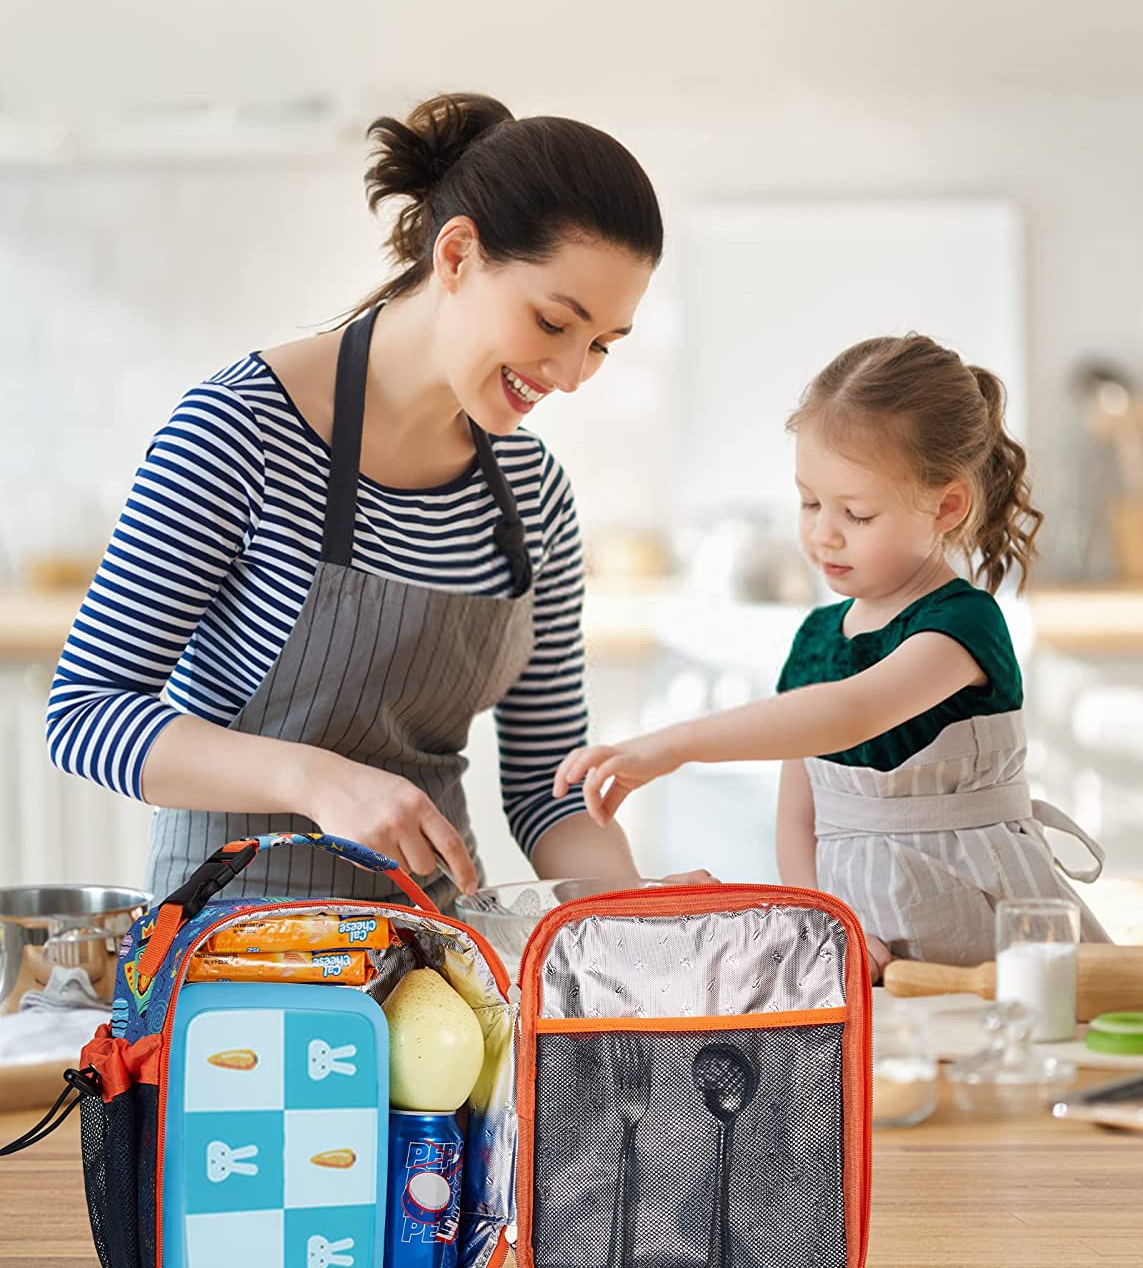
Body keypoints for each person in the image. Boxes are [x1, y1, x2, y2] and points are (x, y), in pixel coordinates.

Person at [47, 92, 708, 909]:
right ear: (458, 255)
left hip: (431, 947)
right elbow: (84, 716)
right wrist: (316, 780)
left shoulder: (533, 493)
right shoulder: (238, 428)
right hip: (227, 945)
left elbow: (547, 784)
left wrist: (640, 909)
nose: (571, 374)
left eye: (601, 344)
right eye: (551, 322)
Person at [554, 333, 1110, 976]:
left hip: (991, 939)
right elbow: (798, 819)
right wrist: (828, 924)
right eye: (810, 502)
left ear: (947, 506)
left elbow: (851, 712)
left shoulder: (961, 625)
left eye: (858, 513)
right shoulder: (818, 638)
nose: (823, 533)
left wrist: (672, 746)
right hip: (861, 950)